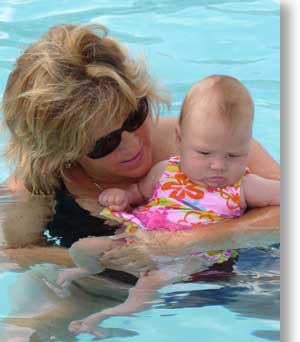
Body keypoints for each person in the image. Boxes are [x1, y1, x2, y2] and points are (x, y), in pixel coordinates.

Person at [0, 24, 280, 293]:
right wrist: (106, 259)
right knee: (28, 329)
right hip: (105, 288)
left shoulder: (209, 144)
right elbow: (15, 255)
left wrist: (184, 242)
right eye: (104, 143)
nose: (132, 145)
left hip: (235, 273)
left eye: (135, 116)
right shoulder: (36, 187)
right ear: (61, 151)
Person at [53, 75, 279, 336]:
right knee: (84, 247)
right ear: (180, 140)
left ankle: (113, 315)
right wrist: (120, 197)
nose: (218, 165)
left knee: (149, 283)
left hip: (193, 255)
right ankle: (86, 270)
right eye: (204, 153)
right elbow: (138, 192)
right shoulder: (166, 169)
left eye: (234, 155)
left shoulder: (244, 185)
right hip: (140, 236)